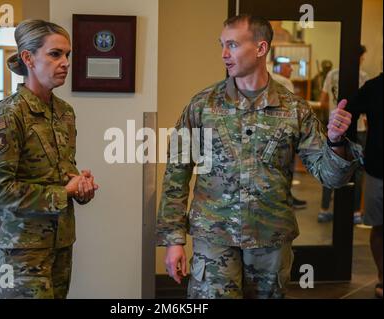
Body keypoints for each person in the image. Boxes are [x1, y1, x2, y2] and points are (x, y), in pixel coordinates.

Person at [156, 14, 362, 299]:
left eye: (233, 45)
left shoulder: (294, 109)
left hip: (270, 242)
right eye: (222, 45)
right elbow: (176, 173)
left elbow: (331, 177)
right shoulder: (202, 106)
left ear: (261, 48)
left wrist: (336, 142)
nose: (224, 54)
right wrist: (173, 240)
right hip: (214, 240)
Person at [0, 20, 98, 299]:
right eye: (55, 54)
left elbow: (62, 171)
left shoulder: (64, 112)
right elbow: (0, 190)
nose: (65, 63)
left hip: (60, 242)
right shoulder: (8, 115)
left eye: (67, 55)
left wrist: (80, 184)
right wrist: (63, 192)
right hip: (20, 248)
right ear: (28, 58)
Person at [318, 45, 369, 223]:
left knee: (330, 164)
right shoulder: (362, 76)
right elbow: (367, 106)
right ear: (360, 57)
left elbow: (323, 100)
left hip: (335, 127)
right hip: (358, 128)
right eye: (362, 58)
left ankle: (324, 209)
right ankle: (355, 213)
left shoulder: (332, 74)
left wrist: (329, 119)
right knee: (358, 172)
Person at [347, 73, 383, 298]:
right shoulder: (374, 87)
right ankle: (382, 276)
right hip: (378, 168)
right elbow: (349, 111)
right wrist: (349, 149)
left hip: (375, 166)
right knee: (379, 226)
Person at [271, 56, 307, 209]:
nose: (291, 69)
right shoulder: (285, 82)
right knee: (286, 167)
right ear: (278, 68)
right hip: (284, 132)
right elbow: (291, 109)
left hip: (268, 133)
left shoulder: (266, 79)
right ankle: (286, 199)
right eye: (288, 66)